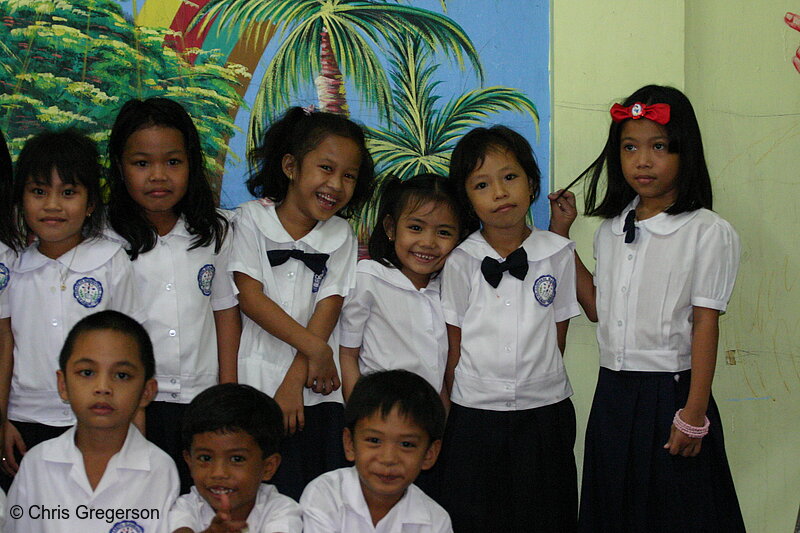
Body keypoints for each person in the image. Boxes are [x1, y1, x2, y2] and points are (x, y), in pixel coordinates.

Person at [549, 85, 745, 532]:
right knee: (614, 512)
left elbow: (704, 323)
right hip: (613, 395)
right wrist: (562, 235)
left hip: (672, 395)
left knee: (676, 513)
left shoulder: (707, 232)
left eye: (659, 147)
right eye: (630, 147)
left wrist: (694, 414)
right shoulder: (611, 230)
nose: (643, 160)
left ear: (685, 152)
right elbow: (598, 307)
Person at [229, 106, 374, 500]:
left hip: (315, 390)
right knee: (258, 502)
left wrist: (295, 380)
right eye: (325, 168)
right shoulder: (248, 221)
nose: (336, 184)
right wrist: (316, 350)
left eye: (348, 175)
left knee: (317, 498)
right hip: (257, 382)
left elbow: (328, 308)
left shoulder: (341, 235)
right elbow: (250, 298)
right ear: (291, 166)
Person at [440, 126, 580, 532]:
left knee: (548, 515)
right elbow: (455, 344)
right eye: (482, 184)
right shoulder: (461, 260)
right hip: (474, 414)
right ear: (467, 198)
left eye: (510, 177)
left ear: (532, 184)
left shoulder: (557, 253)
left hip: (546, 411)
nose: (499, 192)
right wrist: (450, 410)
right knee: (475, 516)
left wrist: (537, 381)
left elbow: (560, 333)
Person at [107, 97, 240, 491]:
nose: (158, 176)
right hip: (133, 401)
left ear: (192, 164)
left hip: (201, 397)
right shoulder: (102, 238)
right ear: (119, 166)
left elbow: (225, 310)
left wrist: (226, 392)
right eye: (142, 163)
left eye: (173, 162)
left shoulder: (216, 232)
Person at [0, 129, 142, 487]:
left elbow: (132, 350)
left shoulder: (111, 261)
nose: (52, 205)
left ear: (91, 202)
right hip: (22, 422)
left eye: (68, 193)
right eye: (38, 192)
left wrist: (131, 423)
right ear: (21, 199)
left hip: (96, 420)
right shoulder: (11, 266)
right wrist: (2, 420)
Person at [5, 310, 178, 532]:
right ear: (63, 385)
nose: (103, 388)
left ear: (147, 391)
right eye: (87, 372)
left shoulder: (160, 469)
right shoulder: (37, 465)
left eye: (122, 375)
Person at [339, 174, 467, 402]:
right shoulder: (369, 278)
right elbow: (347, 355)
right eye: (416, 227)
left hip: (425, 422)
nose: (428, 242)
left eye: (444, 232)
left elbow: (440, 370)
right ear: (391, 228)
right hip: (376, 413)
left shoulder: (447, 289)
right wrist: (357, 416)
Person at [300, 369, 451, 532]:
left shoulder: (435, 521)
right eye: (374, 441)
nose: (388, 458)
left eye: (406, 444)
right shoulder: (324, 495)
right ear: (350, 443)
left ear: (429, 454)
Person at [170, 383, 301, 533]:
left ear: (268, 467)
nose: (218, 473)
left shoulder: (281, 509)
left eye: (236, 459)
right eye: (205, 458)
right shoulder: (185, 507)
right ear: (189, 462)